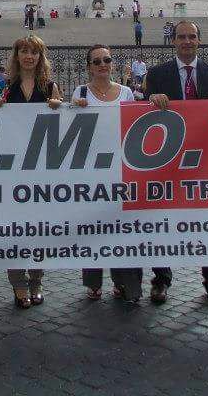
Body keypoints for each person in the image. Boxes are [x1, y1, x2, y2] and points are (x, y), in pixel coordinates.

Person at [142, 21, 208, 306]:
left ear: (199, 40)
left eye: (192, 36)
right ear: (173, 41)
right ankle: (161, 279)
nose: (187, 41)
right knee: (161, 219)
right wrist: (152, 98)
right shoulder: (157, 74)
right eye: (182, 37)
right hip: (168, 158)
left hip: (206, 156)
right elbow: (143, 106)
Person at [0, 35, 62, 308]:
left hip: (41, 169)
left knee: (39, 228)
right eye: (24, 51)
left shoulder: (50, 87)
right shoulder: (6, 87)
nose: (29, 56)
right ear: (17, 56)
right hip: (12, 169)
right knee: (14, 229)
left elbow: (63, 124)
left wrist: (59, 107)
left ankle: (37, 280)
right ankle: (19, 283)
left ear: (40, 57)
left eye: (34, 52)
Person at [69, 44, 142, 302]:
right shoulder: (80, 92)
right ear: (89, 67)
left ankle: (124, 282)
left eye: (107, 60)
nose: (103, 64)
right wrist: (72, 108)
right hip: (91, 170)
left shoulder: (126, 92)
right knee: (93, 227)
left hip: (121, 169)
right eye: (97, 61)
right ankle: (93, 282)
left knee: (124, 229)